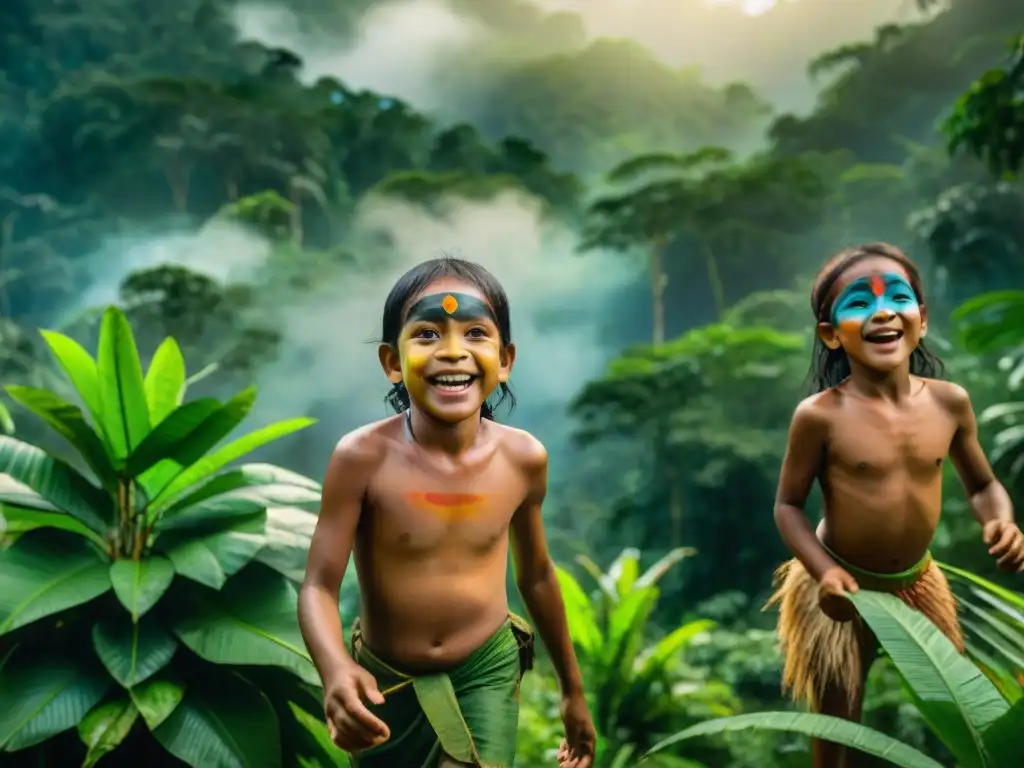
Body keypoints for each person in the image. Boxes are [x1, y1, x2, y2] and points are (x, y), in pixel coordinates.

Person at [298, 256, 596, 768]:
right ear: (393, 361)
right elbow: (319, 586)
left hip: (485, 669)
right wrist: (335, 670)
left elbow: (538, 575)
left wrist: (573, 691)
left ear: (504, 359)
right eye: (429, 334)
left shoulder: (523, 459)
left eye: (476, 333)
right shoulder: (361, 458)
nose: (453, 352)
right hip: (385, 681)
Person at [767, 242, 1024, 768]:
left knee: (964, 713)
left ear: (921, 321)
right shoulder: (819, 416)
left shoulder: (949, 402)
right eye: (859, 303)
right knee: (837, 727)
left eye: (897, 298)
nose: (882, 311)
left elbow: (982, 485)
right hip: (839, 586)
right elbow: (787, 507)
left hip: (919, 580)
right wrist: (822, 574)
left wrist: (1000, 519)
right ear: (831, 334)